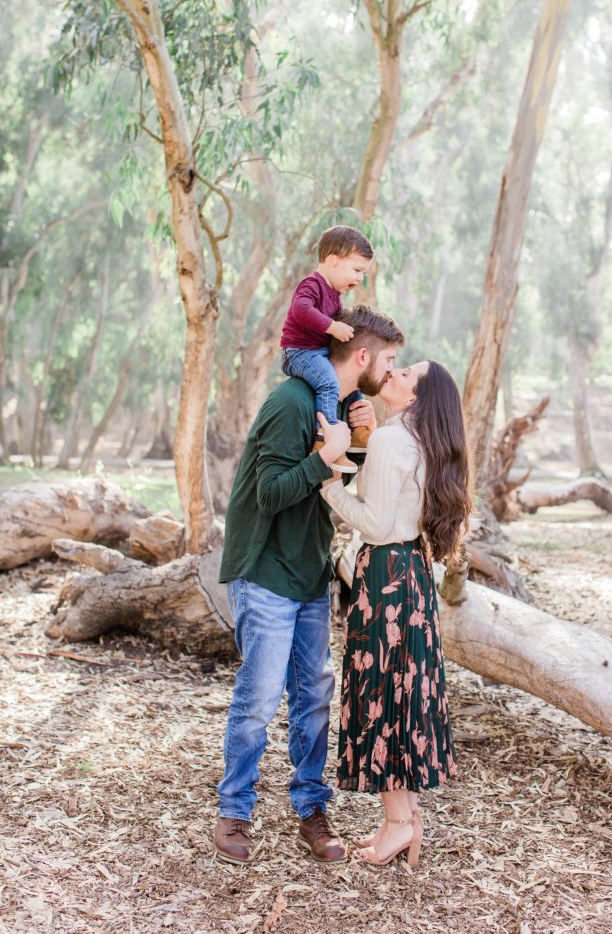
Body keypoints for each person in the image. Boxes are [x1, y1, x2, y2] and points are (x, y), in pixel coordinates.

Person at [214, 306, 405, 867]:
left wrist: (361, 442)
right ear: (363, 357)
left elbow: (346, 488)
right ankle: (234, 810)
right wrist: (325, 457)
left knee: (315, 698)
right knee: (259, 698)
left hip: (310, 574)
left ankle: (310, 808)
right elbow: (269, 493)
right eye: (388, 360)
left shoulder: (343, 408)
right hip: (266, 572)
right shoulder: (291, 402)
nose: (391, 371)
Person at [320, 360, 471, 867]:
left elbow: (376, 524)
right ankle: (400, 821)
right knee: (401, 695)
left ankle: (400, 823)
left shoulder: (392, 439)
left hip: (385, 572)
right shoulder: (416, 440)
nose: (394, 372)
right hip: (412, 574)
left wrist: (328, 480)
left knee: (380, 696)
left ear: (413, 397)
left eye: (405, 372)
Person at [280, 225, 375, 475]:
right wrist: (332, 326)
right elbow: (300, 309)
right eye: (356, 270)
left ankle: (358, 435)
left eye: (363, 273)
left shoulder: (335, 294)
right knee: (329, 384)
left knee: (353, 383)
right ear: (333, 261)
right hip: (300, 352)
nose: (359, 278)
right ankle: (324, 440)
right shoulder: (312, 284)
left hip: (318, 352)